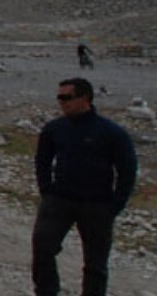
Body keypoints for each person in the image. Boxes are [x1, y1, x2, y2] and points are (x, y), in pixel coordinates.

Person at [32, 78, 138, 296]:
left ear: (85, 98)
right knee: (43, 248)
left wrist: (115, 206)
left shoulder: (111, 132)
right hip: (59, 201)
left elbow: (127, 170)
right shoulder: (54, 129)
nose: (61, 102)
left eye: (66, 97)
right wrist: (47, 190)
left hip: (97, 205)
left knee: (95, 264)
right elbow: (42, 161)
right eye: (59, 97)